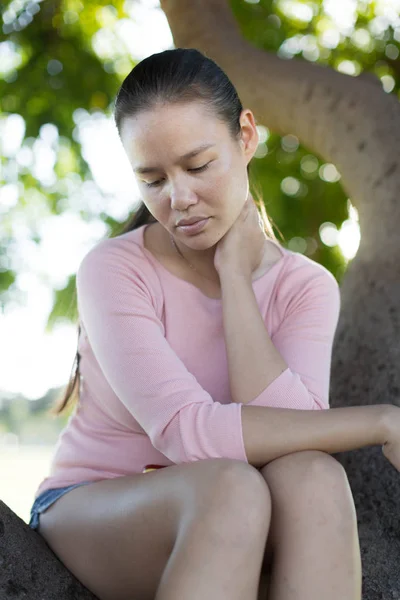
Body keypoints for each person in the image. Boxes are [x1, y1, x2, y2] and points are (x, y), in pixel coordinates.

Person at [29, 48, 399, 600]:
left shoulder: (306, 286)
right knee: (232, 488)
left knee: (315, 477)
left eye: (198, 166)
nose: (179, 199)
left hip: (239, 508)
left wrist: (235, 280)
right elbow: (186, 433)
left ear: (245, 136)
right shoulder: (114, 269)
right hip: (99, 506)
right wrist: (381, 422)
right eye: (152, 179)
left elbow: (296, 438)